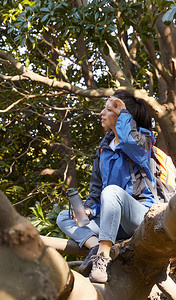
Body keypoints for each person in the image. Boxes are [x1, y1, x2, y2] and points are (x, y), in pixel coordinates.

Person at [56, 89, 157, 283]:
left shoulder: (144, 140)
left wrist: (124, 113)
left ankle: (102, 258)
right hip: (111, 223)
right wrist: (88, 210)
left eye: (108, 109)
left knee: (112, 192)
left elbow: (130, 143)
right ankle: (97, 248)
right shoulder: (103, 148)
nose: (101, 113)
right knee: (65, 217)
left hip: (139, 216)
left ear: (121, 114)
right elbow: (96, 191)